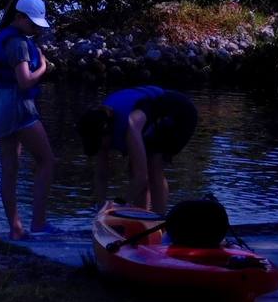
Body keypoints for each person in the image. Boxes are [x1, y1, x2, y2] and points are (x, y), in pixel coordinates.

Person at [0, 0, 56, 240]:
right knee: (47, 160)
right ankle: (38, 222)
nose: (36, 28)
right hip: (19, 105)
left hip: (0, 104)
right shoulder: (18, 43)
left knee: (9, 168)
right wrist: (43, 68)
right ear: (19, 17)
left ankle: (15, 228)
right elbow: (25, 81)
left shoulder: (2, 36)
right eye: (33, 23)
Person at [77, 86, 198, 214]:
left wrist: (117, 207)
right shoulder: (98, 126)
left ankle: (158, 219)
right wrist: (100, 207)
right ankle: (140, 215)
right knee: (133, 169)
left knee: (153, 166)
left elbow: (141, 177)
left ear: (106, 132)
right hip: (151, 117)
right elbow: (101, 175)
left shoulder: (131, 124)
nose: (102, 149)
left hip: (179, 113)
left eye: (99, 144)